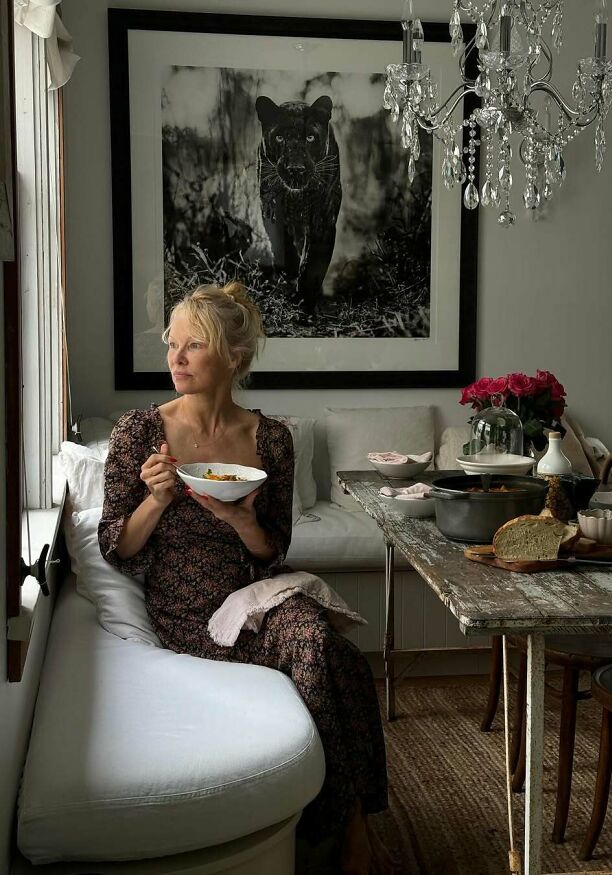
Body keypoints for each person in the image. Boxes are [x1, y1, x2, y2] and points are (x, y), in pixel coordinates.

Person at [98, 282, 394, 875]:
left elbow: (272, 550)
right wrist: (155, 500)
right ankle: (351, 828)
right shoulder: (138, 432)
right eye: (172, 345)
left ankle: (342, 825)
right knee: (338, 658)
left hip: (256, 597)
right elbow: (116, 547)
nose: (175, 359)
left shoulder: (271, 439)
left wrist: (239, 517)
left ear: (233, 357)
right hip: (187, 613)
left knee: (322, 646)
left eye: (193, 346)